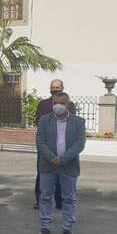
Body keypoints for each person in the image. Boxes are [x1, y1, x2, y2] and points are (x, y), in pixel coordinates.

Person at [36, 92, 86, 234]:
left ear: (68, 104)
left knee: (69, 198)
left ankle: (68, 229)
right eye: (55, 103)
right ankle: (45, 227)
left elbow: (80, 144)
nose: (58, 106)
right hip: (48, 165)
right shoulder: (44, 120)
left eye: (61, 103)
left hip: (68, 166)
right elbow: (40, 142)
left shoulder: (79, 122)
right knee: (45, 197)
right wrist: (52, 158)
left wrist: (63, 159)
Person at [34, 79, 77, 210]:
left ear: (62, 88)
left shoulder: (70, 105)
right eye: (53, 87)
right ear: (49, 88)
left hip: (64, 147)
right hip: (46, 147)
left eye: (58, 87)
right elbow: (39, 124)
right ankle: (40, 201)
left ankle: (60, 201)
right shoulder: (43, 104)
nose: (55, 89)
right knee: (43, 174)